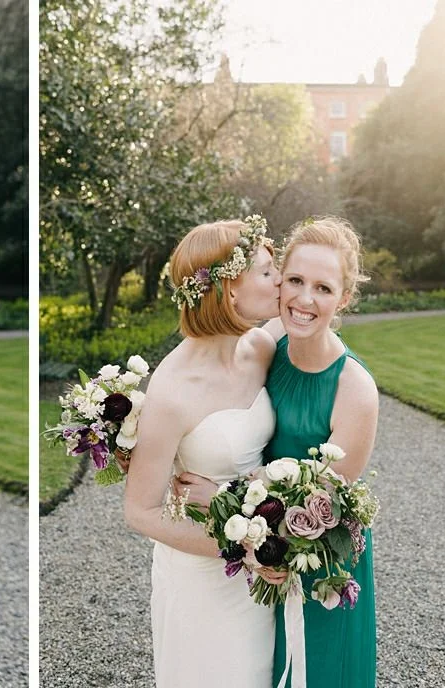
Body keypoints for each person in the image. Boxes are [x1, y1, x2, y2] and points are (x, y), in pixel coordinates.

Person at [179, 216, 378, 687]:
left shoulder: (354, 389)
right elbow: (205, 383)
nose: (305, 299)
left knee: (320, 673)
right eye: (295, 280)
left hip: (319, 558)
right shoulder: (268, 344)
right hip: (262, 554)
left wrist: (223, 496)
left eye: (323, 288)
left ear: (343, 298)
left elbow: (321, 504)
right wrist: (137, 435)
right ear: (279, 281)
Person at [120, 218, 284, 688]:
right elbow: (140, 510)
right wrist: (245, 548)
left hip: (264, 568)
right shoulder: (174, 389)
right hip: (204, 576)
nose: (280, 280)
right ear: (230, 288)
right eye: (268, 271)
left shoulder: (258, 346)